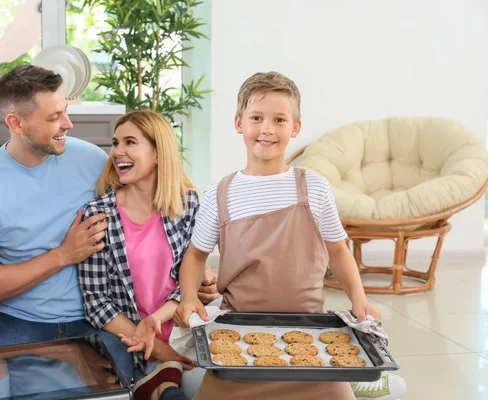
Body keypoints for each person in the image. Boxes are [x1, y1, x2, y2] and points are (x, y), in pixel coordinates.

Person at [173, 71, 406, 400]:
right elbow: (196, 256)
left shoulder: (314, 187)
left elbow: (339, 252)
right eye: (256, 118)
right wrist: (188, 298)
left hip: (311, 334)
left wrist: (359, 298)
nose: (267, 128)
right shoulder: (220, 193)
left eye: (279, 119)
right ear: (239, 123)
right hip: (237, 336)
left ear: (295, 128)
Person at [0, 64, 134, 380]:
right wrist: (64, 254)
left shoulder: (93, 161)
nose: (68, 124)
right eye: (54, 118)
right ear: (16, 123)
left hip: (98, 316)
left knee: (122, 383)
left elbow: (151, 211)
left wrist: (193, 268)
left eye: (64, 111)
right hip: (20, 320)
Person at [79, 110, 213, 400]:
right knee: (166, 388)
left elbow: (193, 274)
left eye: (130, 142)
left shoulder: (187, 203)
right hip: (127, 334)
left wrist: (159, 319)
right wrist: (157, 346)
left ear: (156, 153)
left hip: (180, 325)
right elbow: (96, 301)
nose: (118, 152)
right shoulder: (97, 215)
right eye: (115, 143)